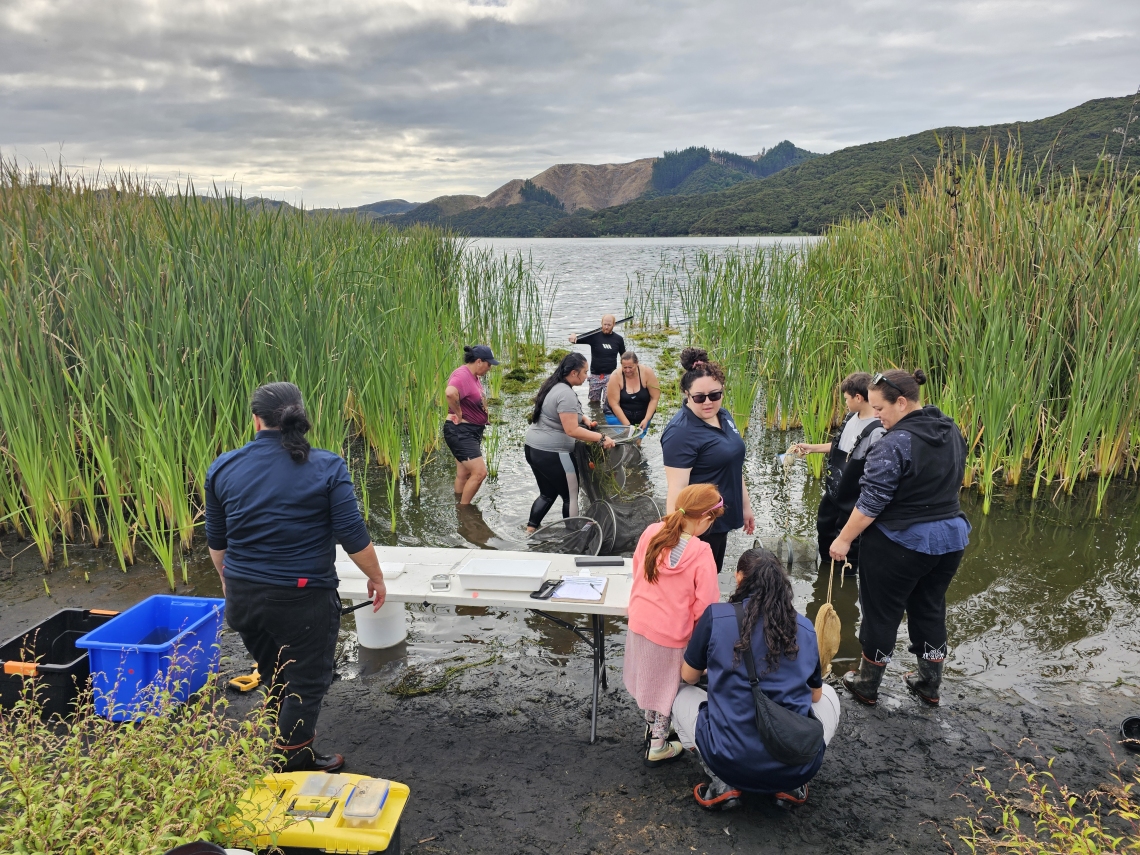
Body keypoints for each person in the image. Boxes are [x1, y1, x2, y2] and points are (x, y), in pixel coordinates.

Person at [205, 382, 387, 773]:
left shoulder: (223, 466)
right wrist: (377, 578)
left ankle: (280, 744)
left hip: (243, 596)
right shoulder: (326, 465)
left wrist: (227, 579)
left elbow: (217, 542)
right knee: (308, 680)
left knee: (276, 671)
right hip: (302, 599)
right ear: (302, 416)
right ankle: (291, 761)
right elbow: (353, 537)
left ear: (255, 420)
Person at [828, 369, 969, 707]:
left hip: (901, 544)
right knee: (930, 607)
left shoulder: (893, 444)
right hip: (951, 537)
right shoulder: (949, 429)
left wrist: (843, 540)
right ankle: (928, 684)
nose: (876, 416)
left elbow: (871, 503)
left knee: (881, 612)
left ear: (902, 402)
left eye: (880, 409)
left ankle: (866, 683)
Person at [671, 549, 842, 810]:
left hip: (727, 760)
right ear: (781, 584)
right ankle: (788, 787)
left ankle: (721, 780)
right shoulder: (805, 628)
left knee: (679, 694)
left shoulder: (716, 616)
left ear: (739, 578)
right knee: (830, 695)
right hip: (793, 765)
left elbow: (688, 676)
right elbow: (815, 696)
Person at [624, 484, 724, 767]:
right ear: (705, 519)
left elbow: (636, 569)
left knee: (650, 678)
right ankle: (658, 745)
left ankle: (651, 725)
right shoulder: (702, 552)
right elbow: (705, 607)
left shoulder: (651, 531)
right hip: (671, 634)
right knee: (668, 687)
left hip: (640, 622)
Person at [661, 347, 755, 572]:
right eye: (699, 397)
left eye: (715, 395)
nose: (708, 402)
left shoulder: (723, 415)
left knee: (713, 573)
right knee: (696, 578)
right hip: (699, 524)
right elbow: (677, 489)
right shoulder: (680, 433)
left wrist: (746, 505)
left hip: (721, 516)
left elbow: (734, 464)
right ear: (686, 394)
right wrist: (675, 537)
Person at [792, 372, 884, 572]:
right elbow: (841, 445)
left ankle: (844, 585)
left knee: (847, 553)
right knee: (824, 534)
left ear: (858, 398)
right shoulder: (851, 417)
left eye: (846, 399)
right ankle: (825, 573)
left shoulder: (877, 431)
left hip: (853, 503)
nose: (845, 404)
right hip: (833, 495)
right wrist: (812, 448)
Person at [523, 352, 616, 532]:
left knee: (548, 493)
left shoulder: (554, 386)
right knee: (571, 496)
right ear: (574, 373)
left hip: (533, 449)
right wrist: (602, 438)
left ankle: (530, 530)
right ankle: (573, 535)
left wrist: (586, 420)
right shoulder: (566, 394)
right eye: (585, 372)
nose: (587, 376)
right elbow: (571, 430)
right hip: (554, 453)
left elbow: (566, 414)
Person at [444, 344, 499, 505]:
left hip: (469, 431)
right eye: (489, 364)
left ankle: (458, 505)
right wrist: (459, 413)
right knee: (480, 473)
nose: (489, 368)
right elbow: (449, 393)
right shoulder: (462, 375)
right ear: (479, 361)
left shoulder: (473, 376)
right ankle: (464, 510)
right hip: (461, 432)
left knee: (464, 474)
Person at [568, 314, 626, 403]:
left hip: (611, 376)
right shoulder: (594, 336)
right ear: (601, 323)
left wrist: (625, 373)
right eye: (604, 324)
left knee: (608, 402)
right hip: (595, 376)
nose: (606, 327)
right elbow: (575, 340)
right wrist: (572, 335)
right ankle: (595, 417)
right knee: (594, 403)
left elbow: (624, 357)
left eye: (609, 325)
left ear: (614, 324)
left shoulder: (618, 339)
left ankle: (604, 416)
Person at [604, 351, 661, 435]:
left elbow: (654, 398)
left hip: (642, 414)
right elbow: (614, 404)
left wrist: (646, 419)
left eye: (630, 367)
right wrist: (627, 426)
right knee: (624, 440)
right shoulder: (615, 376)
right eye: (624, 367)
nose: (627, 370)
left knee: (637, 442)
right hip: (616, 414)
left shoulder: (647, 373)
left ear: (637, 363)